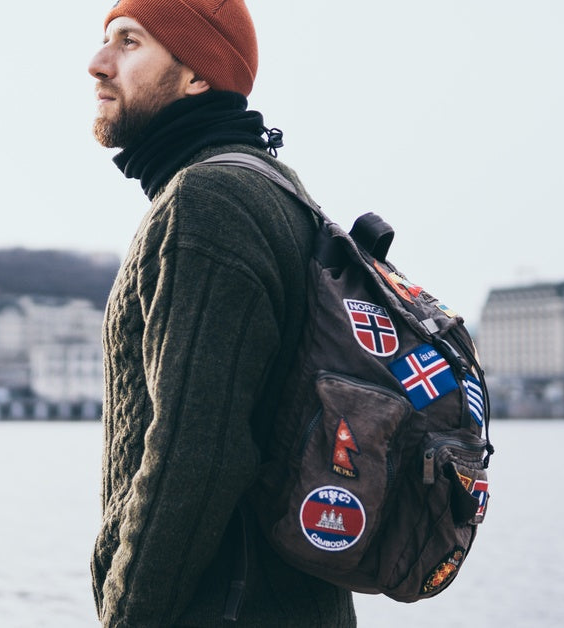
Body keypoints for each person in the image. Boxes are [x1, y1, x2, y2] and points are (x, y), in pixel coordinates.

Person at [88, 1, 357, 625]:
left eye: (129, 42)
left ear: (197, 75)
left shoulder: (208, 201)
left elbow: (196, 455)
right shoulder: (277, 189)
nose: (98, 64)